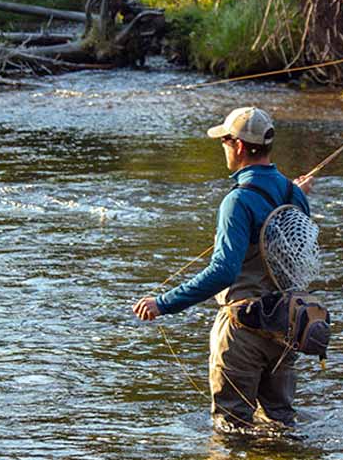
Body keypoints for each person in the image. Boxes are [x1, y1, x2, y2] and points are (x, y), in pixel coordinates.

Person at [132, 106, 315, 431]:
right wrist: (298, 194)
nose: (224, 148)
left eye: (225, 141)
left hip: (242, 330)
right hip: (285, 326)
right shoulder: (293, 194)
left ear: (239, 146)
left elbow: (223, 272)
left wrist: (163, 303)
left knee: (230, 431)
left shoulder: (237, 201)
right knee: (281, 427)